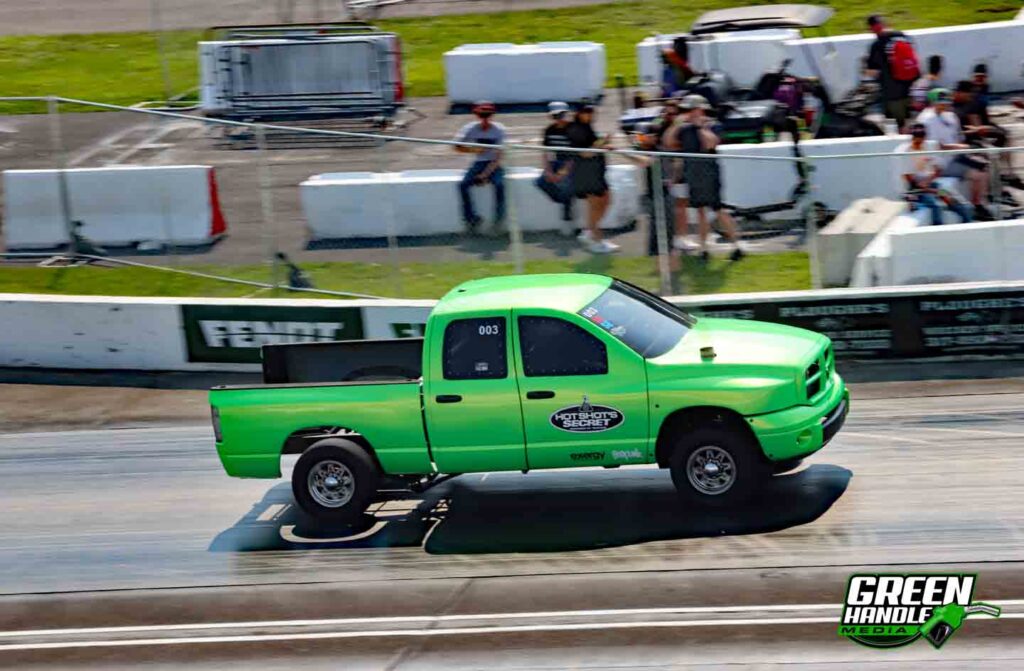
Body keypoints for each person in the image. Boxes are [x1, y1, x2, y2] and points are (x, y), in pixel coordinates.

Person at [674, 94, 744, 262]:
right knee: (700, 212)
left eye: (692, 109)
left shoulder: (712, 125)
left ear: (700, 110)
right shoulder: (684, 129)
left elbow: (711, 144)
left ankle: (736, 246)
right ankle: (704, 249)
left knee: (718, 210)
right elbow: (669, 142)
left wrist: (701, 127)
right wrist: (676, 123)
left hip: (709, 174)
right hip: (693, 174)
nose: (689, 113)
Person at [917, 88, 992, 220]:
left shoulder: (951, 116)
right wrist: (960, 147)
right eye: (941, 102)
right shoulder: (926, 120)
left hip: (956, 156)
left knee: (985, 163)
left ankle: (983, 200)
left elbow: (958, 137)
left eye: (947, 102)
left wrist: (965, 147)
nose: (945, 105)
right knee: (979, 174)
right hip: (941, 163)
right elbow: (935, 146)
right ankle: (977, 206)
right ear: (933, 102)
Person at [896, 123, 973, 225]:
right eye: (916, 136)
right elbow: (911, 182)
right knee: (936, 205)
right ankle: (938, 227)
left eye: (922, 135)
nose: (919, 139)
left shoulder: (927, 146)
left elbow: (938, 168)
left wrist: (929, 181)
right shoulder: (904, 151)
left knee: (953, 199)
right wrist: (933, 190)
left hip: (931, 186)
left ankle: (967, 223)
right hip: (914, 191)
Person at [567, 103, 619, 254]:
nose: (590, 115)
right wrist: (602, 143)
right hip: (586, 173)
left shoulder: (586, 127)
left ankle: (589, 232)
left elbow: (592, 147)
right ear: (579, 113)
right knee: (595, 205)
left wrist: (603, 144)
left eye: (592, 112)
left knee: (605, 201)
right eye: (587, 112)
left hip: (595, 172)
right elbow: (585, 153)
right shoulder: (576, 129)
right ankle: (596, 239)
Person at [453, 100, 506, 234]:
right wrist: (474, 150)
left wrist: (485, 175)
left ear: (492, 116)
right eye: (482, 115)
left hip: (494, 164)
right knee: (462, 185)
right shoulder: (470, 128)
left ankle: (499, 220)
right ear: (477, 115)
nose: (485, 119)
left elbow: (499, 157)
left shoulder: (499, 130)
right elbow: (456, 146)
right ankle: (471, 218)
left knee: (500, 185)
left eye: (488, 115)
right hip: (479, 163)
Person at [865, 14, 918, 130]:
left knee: (901, 128)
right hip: (913, 89)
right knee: (913, 125)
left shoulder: (877, 45)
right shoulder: (903, 36)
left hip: (893, 94)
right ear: (884, 23)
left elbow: (871, 72)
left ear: (871, 29)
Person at [535, 101, 575, 225]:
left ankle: (567, 210)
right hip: (557, 161)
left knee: (566, 183)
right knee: (540, 182)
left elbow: (575, 155)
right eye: (555, 116)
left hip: (574, 163)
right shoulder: (549, 130)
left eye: (561, 115)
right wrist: (548, 171)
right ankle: (563, 200)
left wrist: (561, 173)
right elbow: (545, 152)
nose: (558, 119)